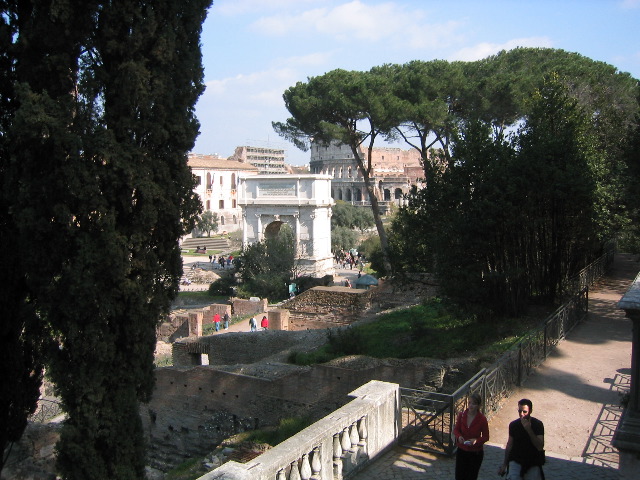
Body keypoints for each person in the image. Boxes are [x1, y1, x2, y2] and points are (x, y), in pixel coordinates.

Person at [498, 398, 545, 480]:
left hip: (533, 461)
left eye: (524, 412)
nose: (522, 414)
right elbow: (509, 445)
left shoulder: (538, 424)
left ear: (530, 411)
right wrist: (505, 464)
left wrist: (529, 429)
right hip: (516, 459)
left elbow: (540, 446)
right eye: (519, 411)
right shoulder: (513, 425)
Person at [453, 393, 489, 480]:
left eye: (474, 403)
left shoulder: (482, 419)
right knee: (460, 476)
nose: (471, 405)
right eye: (469, 403)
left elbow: (486, 437)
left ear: (478, 405)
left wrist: (476, 441)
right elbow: (456, 430)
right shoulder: (462, 415)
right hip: (462, 450)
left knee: (471, 476)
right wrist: (459, 436)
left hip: (475, 453)